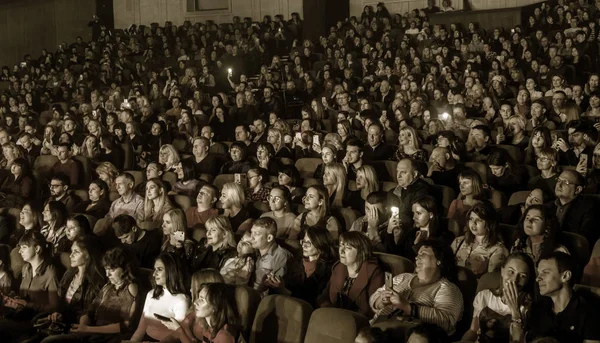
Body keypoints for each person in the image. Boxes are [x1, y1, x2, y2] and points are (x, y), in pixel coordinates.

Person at [41, 247, 139, 342]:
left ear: (125, 269)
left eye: (112, 270)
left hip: (110, 337)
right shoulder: (107, 286)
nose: (107, 275)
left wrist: (88, 329)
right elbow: (90, 311)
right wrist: (82, 327)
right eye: (106, 269)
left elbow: (125, 325)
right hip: (91, 333)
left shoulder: (131, 287)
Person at [370, 239, 464, 334]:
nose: (416, 258)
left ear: (439, 260)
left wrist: (408, 307)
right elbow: (374, 298)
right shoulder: (403, 277)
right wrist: (381, 301)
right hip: (378, 328)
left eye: (423, 254)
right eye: (417, 254)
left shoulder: (447, 289)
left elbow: (446, 321)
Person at [526, 252, 600, 342]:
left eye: (545, 272)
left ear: (565, 276)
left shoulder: (589, 313)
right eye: (538, 273)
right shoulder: (537, 309)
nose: (538, 278)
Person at [462, 252, 535, 342]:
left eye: (522, 276)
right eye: (511, 272)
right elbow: (473, 331)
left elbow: (517, 340)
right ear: (502, 271)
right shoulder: (484, 295)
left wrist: (515, 310)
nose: (515, 280)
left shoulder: (528, 306)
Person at [0, 231, 58, 342]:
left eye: (24, 247)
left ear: (37, 249)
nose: (20, 251)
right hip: (20, 314)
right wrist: (15, 299)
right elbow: (23, 297)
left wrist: (28, 305)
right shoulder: (26, 268)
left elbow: (54, 307)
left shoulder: (50, 272)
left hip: (37, 320)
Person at [319, 231, 384, 317]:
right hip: (332, 319)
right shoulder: (338, 267)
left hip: (359, 323)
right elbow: (324, 297)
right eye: (341, 245)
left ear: (361, 251)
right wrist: (328, 310)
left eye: (348, 247)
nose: (341, 251)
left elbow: (372, 309)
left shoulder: (373, 272)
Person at [268, 227, 336, 307]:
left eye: (308, 243)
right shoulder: (297, 262)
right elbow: (289, 284)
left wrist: (284, 290)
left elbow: (314, 298)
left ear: (320, 244)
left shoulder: (329, 269)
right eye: (303, 241)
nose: (304, 246)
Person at [130, 253, 190, 342]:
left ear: (171, 271)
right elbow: (140, 330)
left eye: (159, 269)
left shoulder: (181, 300)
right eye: (154, 269)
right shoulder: (151, 294)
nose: (154, 274)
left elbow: (177, 337)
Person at [160, 283, 240, 343]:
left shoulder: (224, 336)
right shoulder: (208, 328)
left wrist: (179, 330)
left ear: (215, 306)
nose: (195, 302)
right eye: (198, 297)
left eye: (202, 300)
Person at [451, 201, 509, 277]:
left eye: (479, 220)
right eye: (471, 219)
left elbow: (490, 280)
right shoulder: (458, 241)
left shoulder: (498, 250)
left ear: (489, 224)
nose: (473, 223)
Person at [547, 169, 598, 245]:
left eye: (565, 182)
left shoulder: (588, 208)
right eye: (558, 180)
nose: (559, 185)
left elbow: (584, 239)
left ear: (577, 190)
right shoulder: (549, 206)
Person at [250, 217, 295, 295]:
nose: (251, 237)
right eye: (251, 232)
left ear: (269, 238)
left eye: (256, 234)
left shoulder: (281, 256)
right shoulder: (253, 250)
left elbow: (275, 286)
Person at [389, 158, 431, 228]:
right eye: (397, 171)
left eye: (403, 172)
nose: (398, 176)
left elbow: (416, 221)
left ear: (415, 174)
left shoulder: (422, 191)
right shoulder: (393, 192)